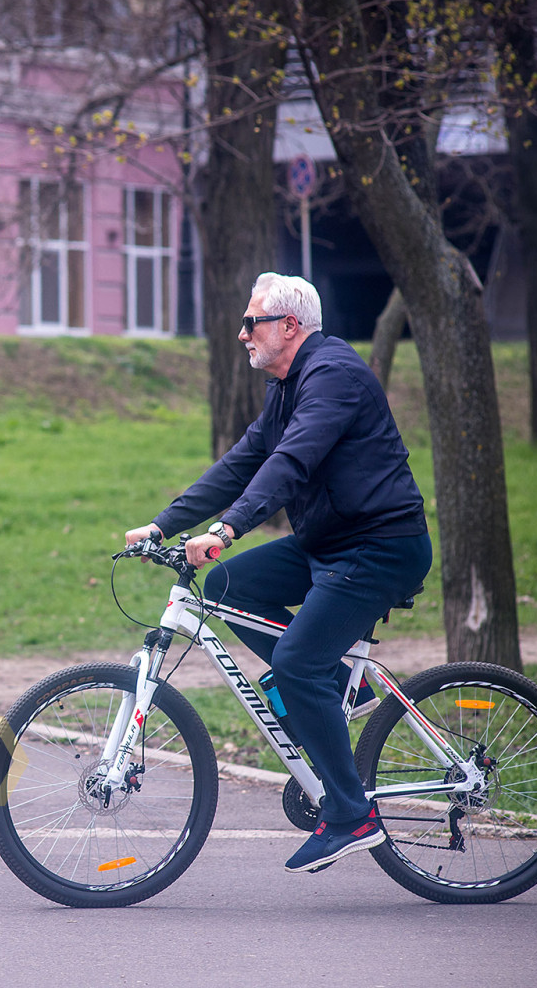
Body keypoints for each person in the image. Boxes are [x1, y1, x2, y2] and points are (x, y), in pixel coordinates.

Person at [125, 272, 431, 874]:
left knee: (294, 663)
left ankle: (352, 815)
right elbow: (243, 463)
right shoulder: (287, 387)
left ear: (290, 326)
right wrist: (162, 525)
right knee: (227, 586)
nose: (242, 334)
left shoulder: (333, 376)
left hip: (379, 548)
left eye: (251, 322)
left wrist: (226, 531)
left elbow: (291, 463)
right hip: (328, 543)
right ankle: (336, 685)